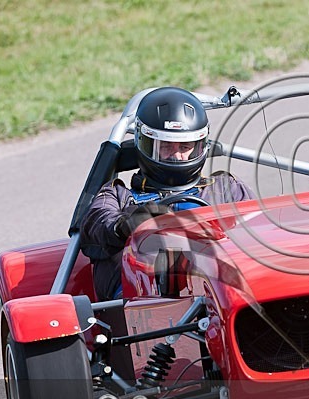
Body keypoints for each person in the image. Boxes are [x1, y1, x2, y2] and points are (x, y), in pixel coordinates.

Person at [81, 87, 253, 300]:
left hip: (221, 288)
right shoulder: (117, 196)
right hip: (144, 301)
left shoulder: (225, 189)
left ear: (200, 145)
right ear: (144, 143)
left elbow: (258, 232)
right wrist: (128, 225)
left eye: (185, 146)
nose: (177, 156)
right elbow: (98, 225)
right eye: (166, 146)